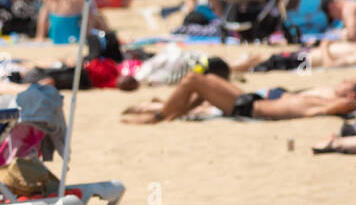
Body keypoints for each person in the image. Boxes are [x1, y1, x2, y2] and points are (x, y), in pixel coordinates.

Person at [122, 71, 356, 123]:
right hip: (252, 99)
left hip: (249, 109)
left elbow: (345, 105)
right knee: (206, 78)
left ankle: (158, 115)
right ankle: (172, 111)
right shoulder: (324, 99)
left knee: (193, 80)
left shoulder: (327, 107)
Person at [37, 0, 110, 44]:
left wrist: (40, 36)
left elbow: (42, 20)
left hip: (55, 39)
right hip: (74, 40)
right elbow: (89, 21)